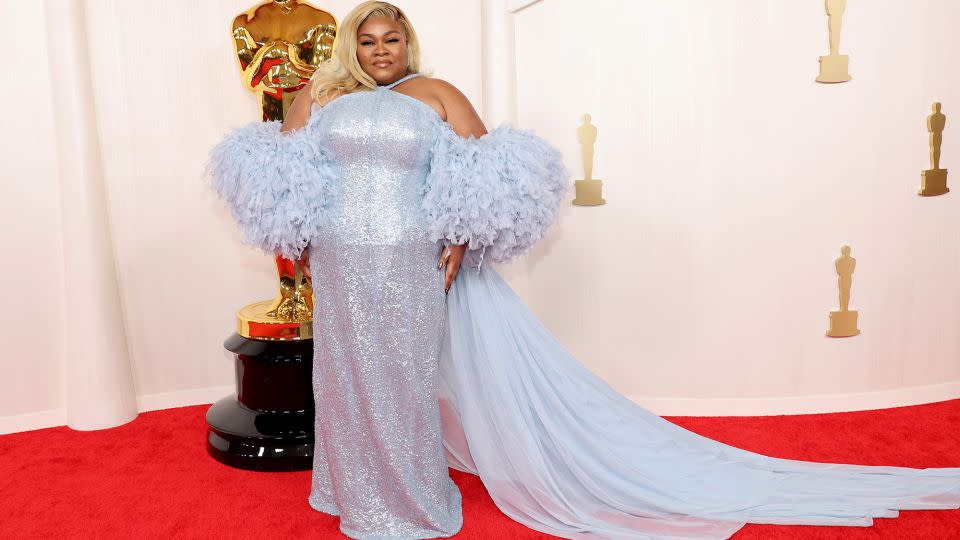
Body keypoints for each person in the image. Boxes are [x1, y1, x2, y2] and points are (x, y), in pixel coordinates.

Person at [206, 2, 960, 539]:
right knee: (341, 374)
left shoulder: (437, 95)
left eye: (391, 38)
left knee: (400, 375)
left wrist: (463, 237)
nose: (380, 50)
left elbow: (487, 170)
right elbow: (285, 168)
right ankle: (348, 490)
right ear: (350, 45)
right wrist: (295, 227)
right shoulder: (328, 96)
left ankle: (404, 504)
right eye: (367, 39)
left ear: (408, 43)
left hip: (410, 260)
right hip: (341, 262)